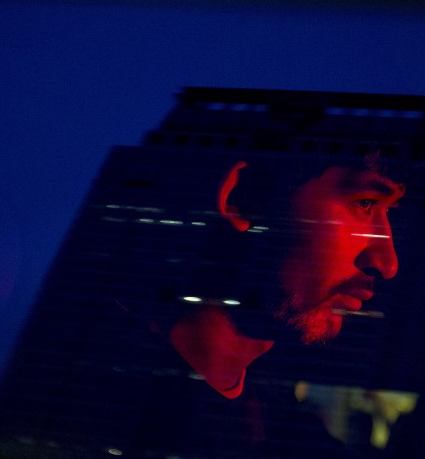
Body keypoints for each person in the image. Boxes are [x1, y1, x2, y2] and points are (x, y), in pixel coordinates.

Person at [168, 152, 405, 399]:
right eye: (365, 203)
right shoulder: (134, 372)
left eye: (390, 213)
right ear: (245, 194)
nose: (388, 265)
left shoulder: (265, 419)